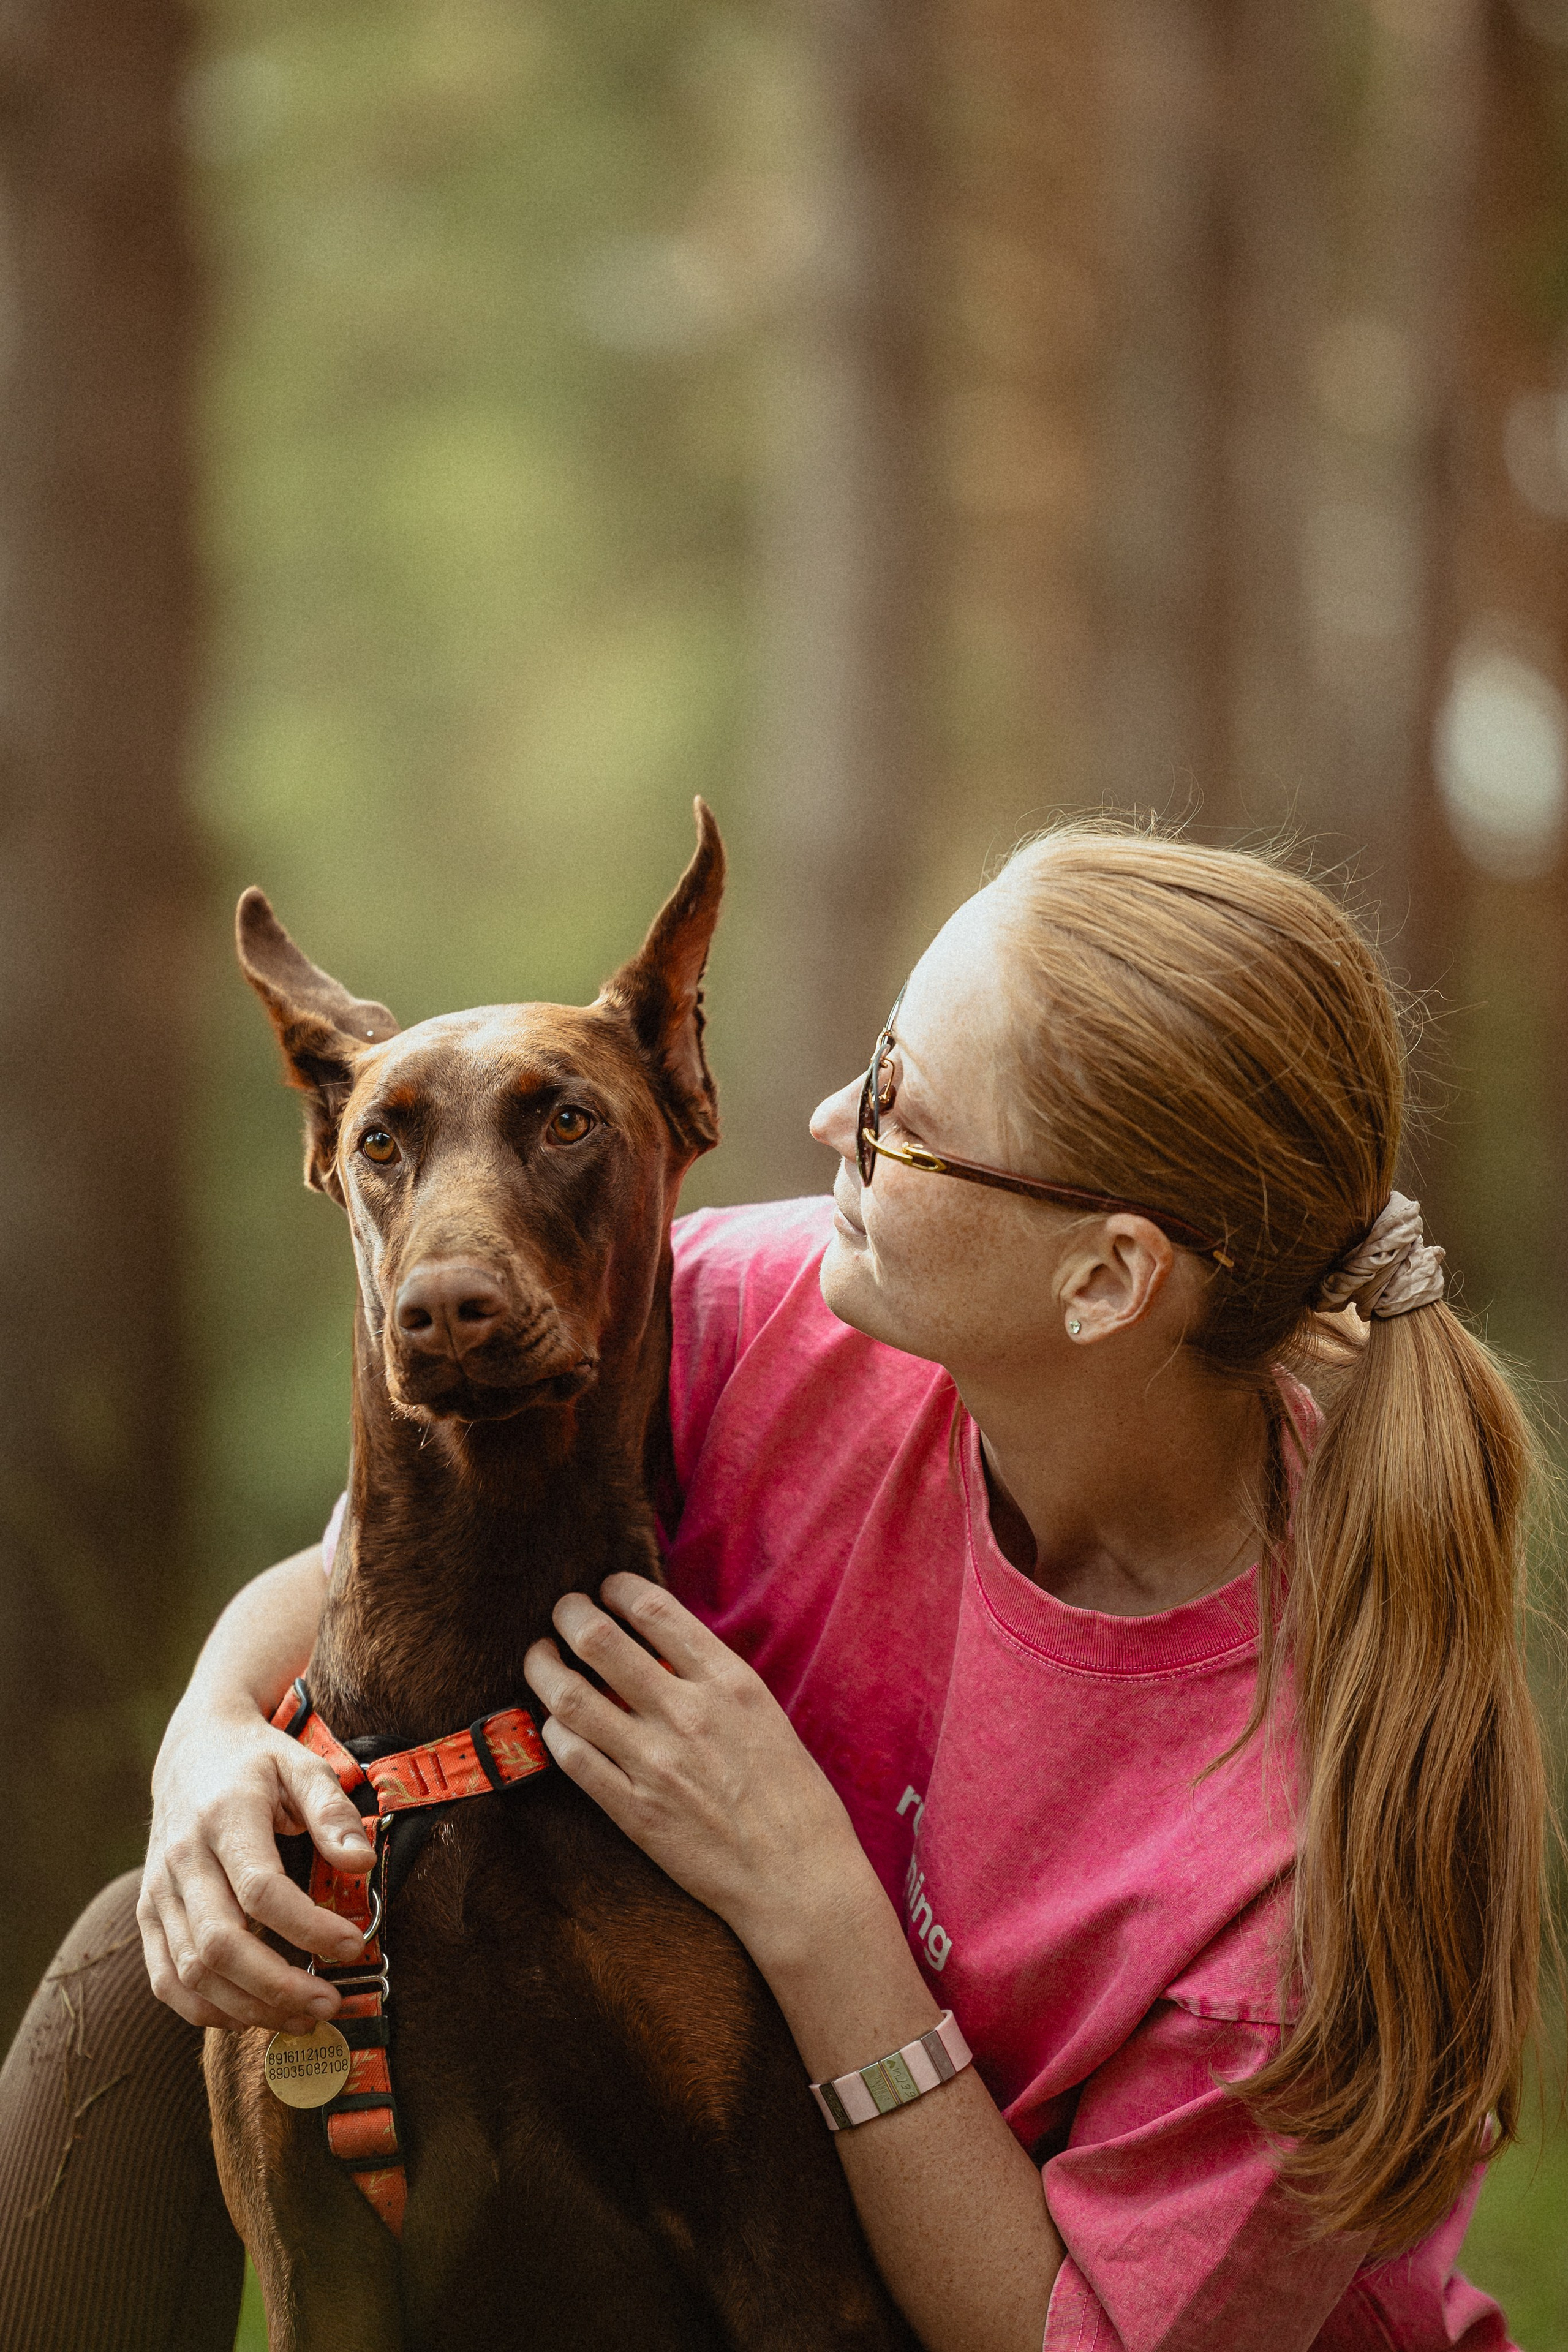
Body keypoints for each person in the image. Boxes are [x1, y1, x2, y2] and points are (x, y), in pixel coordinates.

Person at [0, 826, 1550, 2351]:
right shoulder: (770, 1324)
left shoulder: (1302, 1852)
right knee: (150, 1950)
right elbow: (376, 1552)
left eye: (898, 1114)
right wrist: (203, 1739)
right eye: (870, 1059)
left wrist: (810, 1901)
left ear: (1104, 1279)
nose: (822, 1119)